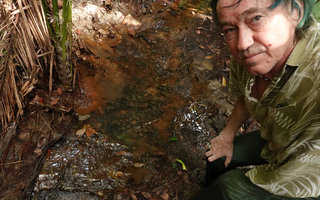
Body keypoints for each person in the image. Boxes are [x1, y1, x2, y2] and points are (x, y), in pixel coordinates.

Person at [194, 0, 320, 199]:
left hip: (305, 175)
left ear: (295, 10)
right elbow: (246, 95)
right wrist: (227, 135)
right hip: (277, 138)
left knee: (227, 189)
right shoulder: (249, 56)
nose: (243, 44)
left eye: (256, 18)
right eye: (230, 29)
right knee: (215, 158)